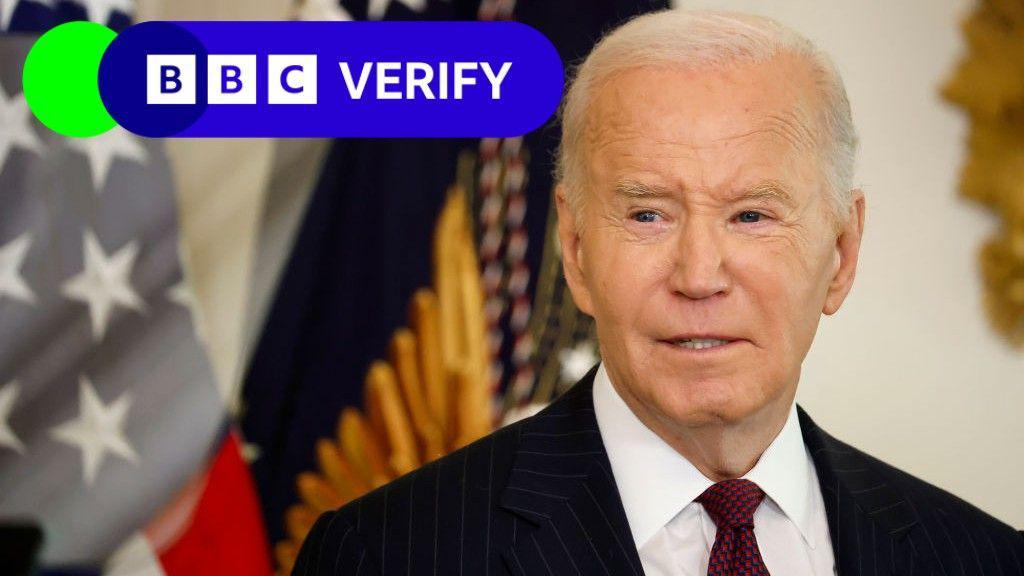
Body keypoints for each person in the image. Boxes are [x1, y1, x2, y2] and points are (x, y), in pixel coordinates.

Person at [292, 9, 1024, 575]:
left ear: (841, 252)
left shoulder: (984, 559)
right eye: (647, 214)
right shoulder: (388, 554)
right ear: (575, 253)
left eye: (751, 215)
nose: (699, 275)